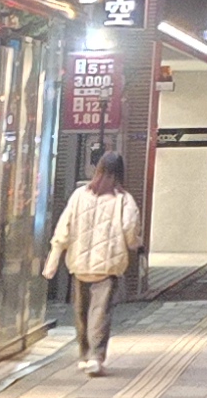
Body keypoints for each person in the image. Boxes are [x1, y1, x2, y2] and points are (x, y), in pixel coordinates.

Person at [46, 152, 142, 375]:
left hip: (79, 265)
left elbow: (63, 227)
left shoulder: (79, 195)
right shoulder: (123, 199)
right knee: (100, 312)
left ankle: (83, 354)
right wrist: (136, 244)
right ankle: (96, 357)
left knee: (80, 312)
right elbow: (129, 230)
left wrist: (53, 260)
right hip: (107, 267)